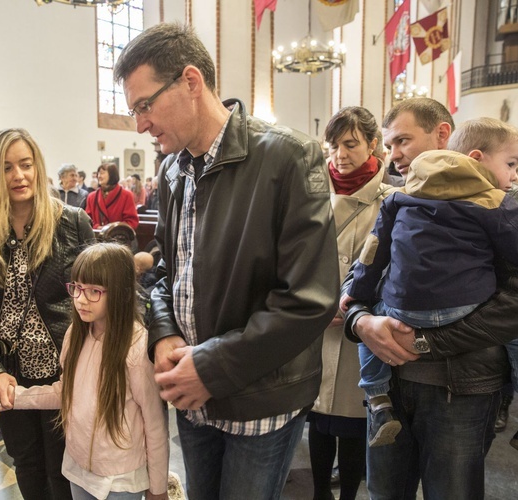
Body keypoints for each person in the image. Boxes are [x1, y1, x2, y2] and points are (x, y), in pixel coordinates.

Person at [114, 23, 339, 499]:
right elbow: (164, 273)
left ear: (191, 82)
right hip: (192, 398)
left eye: (144, 105)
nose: (139, 124)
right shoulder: (172, 169)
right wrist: (164, 332)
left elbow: (309, 299)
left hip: (258, 397)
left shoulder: (288, 157)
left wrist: (212, 369)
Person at [342, 99, 518, 499]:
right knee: (384, 492)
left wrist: (427, 341)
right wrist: (360, 321)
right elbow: (363, 267)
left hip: (462, 386)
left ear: (442, 134)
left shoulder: (504, 195)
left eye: (403, 140)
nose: (394, 154)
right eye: (389, 145)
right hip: (393, 378)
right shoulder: (399, 193)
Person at [0, 128, 95, 500]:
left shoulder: (72, 221)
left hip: (62, 369)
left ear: (38, 167)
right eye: (6, 168)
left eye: (26, 164)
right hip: (9, 372)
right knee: (27, 463)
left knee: (65, 466)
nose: (19, 176)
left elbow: (98, 293)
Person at [3, 243, 169, 500]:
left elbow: (155, 424)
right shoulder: (75, 335)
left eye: (94, 291)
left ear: (121, 293)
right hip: (78, 469)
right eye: (77, 288)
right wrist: (15, 397)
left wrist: (158, 489)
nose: (81, 299)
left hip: (120, 480)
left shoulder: (136, 348)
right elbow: (65, 392)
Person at [309, 107, 393, 500]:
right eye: (334, 145)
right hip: (313, 321)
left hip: (358, 324)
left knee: (352, 420)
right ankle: (320, 493)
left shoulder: (391, 198)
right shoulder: (312, 190)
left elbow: (391, 265)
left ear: (373, 144)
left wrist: (347, 306)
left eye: (350, 144)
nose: (340, 154)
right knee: (319, 418)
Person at [85, 162, 139, 229]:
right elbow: (87, 220)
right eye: (98, 173)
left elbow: (132, 221)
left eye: (102, 173)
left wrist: (113, 228)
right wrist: (97, 227)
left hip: (118, 237)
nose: (99, 176)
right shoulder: (92, 196)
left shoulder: (126, 195)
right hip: (97, 237)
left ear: (112, 175)